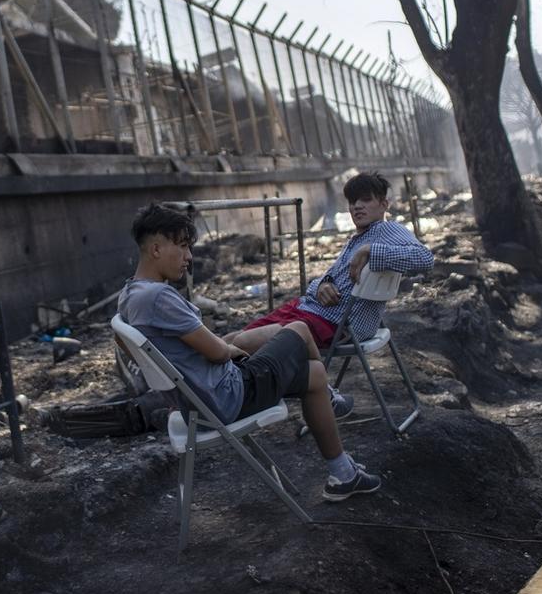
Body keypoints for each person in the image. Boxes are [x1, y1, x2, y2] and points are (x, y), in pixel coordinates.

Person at [118, 203, 381, 502]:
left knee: (314, 374)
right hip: (229, 397)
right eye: (182, 247)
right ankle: (332, 404)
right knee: (298, 328)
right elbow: (217, 353)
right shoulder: (159, 297)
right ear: (156, 249)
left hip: (199, 401)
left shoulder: (129, 296)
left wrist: (232, 346)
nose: (189, 258)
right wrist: (235, 352)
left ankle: (343, 474)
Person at [227, 172, 434, 415]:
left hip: (334, 324)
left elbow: (425, 259)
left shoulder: (387, 231)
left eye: (365, 200)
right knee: (231, 339)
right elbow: (325, 279)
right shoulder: (357, 237)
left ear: (384, 204)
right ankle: (196, 380)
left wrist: (371, 250)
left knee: (242, 343)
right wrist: (323, 283)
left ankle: (222, 396)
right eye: (352, 201)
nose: (357, 206)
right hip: (309, 310)